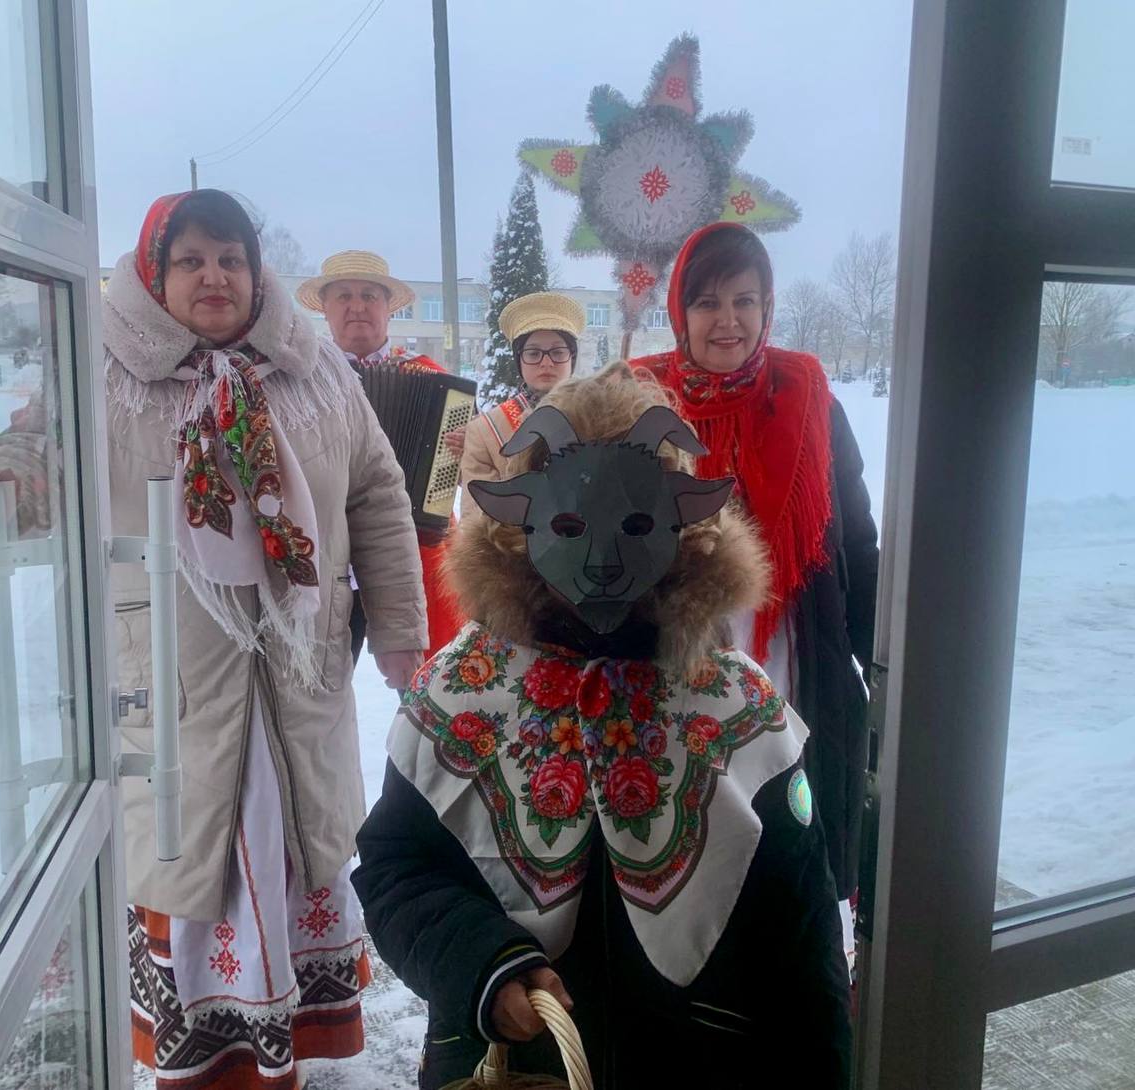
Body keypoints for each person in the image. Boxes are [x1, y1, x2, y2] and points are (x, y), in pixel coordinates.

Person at [0, 189, 429, 1089]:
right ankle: (208, 1067)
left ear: (256, 272)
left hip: (297, 677)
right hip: (175, 683)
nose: (214, 276)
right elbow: (38, 463)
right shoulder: (105, 371)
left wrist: (397, 627)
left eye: (231, 259)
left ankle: (284, 1056)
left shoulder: (316, 371)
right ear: (156, 274)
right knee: (196, 865)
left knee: (291, 850)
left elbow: (378, 496)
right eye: (191, 260)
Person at [353, 367, 852, 1089]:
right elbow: (396, 866)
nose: (604, 560)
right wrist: (482, 963)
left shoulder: (735, 706)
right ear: (521, 525)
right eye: (568, 526)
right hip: (517, 1070)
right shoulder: (462, 694)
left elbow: (803, 934)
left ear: (685, 524)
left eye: (637, 524)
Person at [629, 221, 879, 945]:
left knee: (793, 829)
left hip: (793, 653)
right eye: (707, 302)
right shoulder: (639, 405)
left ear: (768, 307)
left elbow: (856, 540)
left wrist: (881, 658)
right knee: (692, 838)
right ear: (680, 312)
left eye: (745, 300)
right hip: (677, 663)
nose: (728, 320)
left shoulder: (811, 400)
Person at [297, 251, 465, 664]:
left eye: (369, 296)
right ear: (325, 309)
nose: (357, 306)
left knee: (426, 675)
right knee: (320, 674)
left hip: (412, 550)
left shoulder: (432, 379)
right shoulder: (301, 380)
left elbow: (464, 474)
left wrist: (465, 455)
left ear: (388, 308)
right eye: (344, 296)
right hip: (326, 544)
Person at [457, 290, 585, 518]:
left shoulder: (600, 418)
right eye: (533, 353)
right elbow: (477, 522)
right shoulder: (486, 432)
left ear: (572, 358)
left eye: (557, 352)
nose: (546, 363)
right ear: (519, 360)